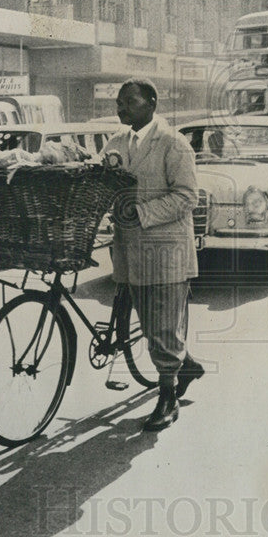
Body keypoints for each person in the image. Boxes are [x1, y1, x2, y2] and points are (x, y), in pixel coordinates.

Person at [103, 78, 202, 431]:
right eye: (118, 102)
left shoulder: (174, 144)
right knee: (152, 326)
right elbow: (101, 182)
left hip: (167, 252)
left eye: (128, 101)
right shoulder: (115, 143)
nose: (121, 108)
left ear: (152, 103)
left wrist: (142, 213)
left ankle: (168, 398)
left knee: (160, 326)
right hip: (130, 251)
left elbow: (188, 196)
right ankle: (184, 364)